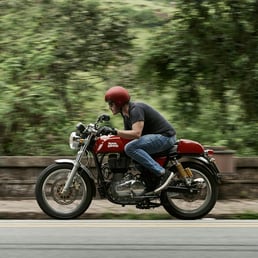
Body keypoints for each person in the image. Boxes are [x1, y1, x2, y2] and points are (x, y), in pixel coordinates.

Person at [102, 86, 177, 191]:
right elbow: (127, 135)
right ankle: (149, 183)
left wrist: (115, 131)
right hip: (157, 138)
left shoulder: (136, 109)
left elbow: (136, 133)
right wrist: (107, 135)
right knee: (129, 152)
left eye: (111, 103)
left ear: (119, 102)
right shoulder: (125, 115)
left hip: (165, 137)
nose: (109, 107)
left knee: (130, 148)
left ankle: (162, 173)